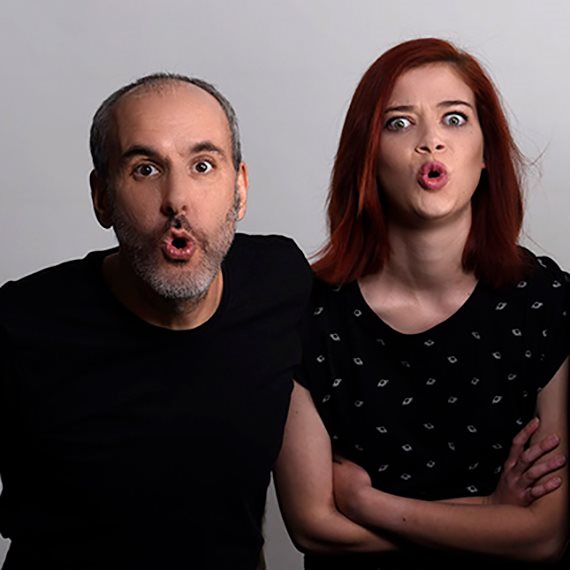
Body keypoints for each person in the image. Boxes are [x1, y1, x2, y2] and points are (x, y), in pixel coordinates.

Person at [274, 37, 569, 568]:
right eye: (399, 123)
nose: (431, 141)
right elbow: (314, 527)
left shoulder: (544, 301)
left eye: (454, 119)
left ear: (487, 154)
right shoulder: (306, 312)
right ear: (368, 157)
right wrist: (492, 514)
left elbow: (543, 534)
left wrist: (366, 503)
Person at [0, 73, 311, 569]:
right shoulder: (20, 325)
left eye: (203, 165)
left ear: (240, 188)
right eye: (145, 169)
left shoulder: (280, 282)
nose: (176, 200)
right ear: (102, 196)